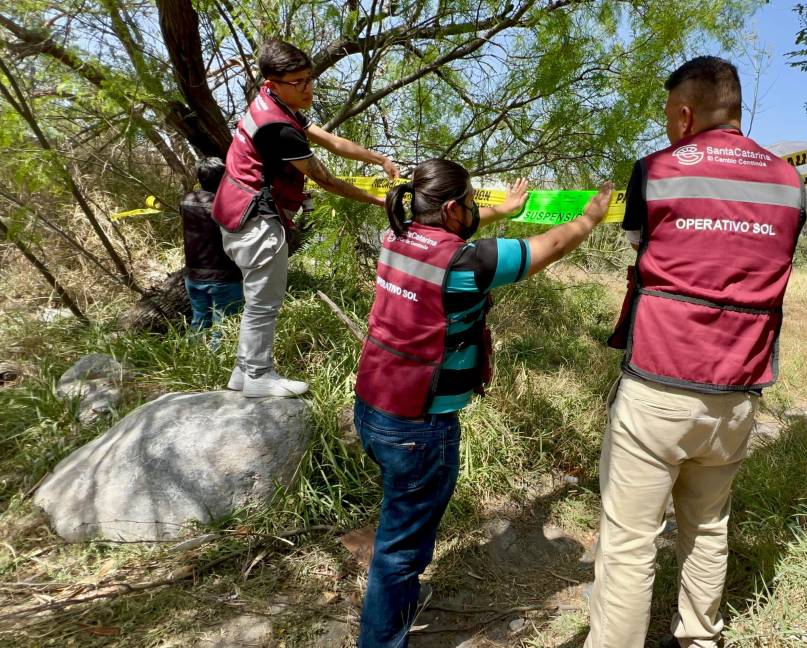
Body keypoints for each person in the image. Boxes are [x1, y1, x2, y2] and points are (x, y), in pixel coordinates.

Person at [586, 56, 807, 648]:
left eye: (667, 115)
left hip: (657, 382)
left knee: (629, 540)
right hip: (738, 391)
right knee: (708, 525)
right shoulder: (790, 181)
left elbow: (640, 244)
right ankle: (700, 639)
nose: (665, 126)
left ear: (684, 115)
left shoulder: (656, 170)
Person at [352, 158, 613, 647]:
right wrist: (592, 216)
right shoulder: (469, 264)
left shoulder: (398, 234)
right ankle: (382, 636)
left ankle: (397, 600)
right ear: (452, 208)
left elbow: (446, 231)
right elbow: (551, 245)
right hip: (419, 426)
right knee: (399, 550)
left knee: (400, 528)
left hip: (372, 405)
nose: (476, 208)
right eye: (472, 201)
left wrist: (503, 209)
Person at [212, 39, 400, 398]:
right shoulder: (277, 127)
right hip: (255, 220)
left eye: (309, 78)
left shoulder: (277, 105)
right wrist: (379, 200)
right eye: (298, 82)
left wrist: (380, 159)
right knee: (264, 302)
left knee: (259, 300)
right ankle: (258, 374)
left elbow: (330, 140)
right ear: (271, 82)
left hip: (240, 214)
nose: (308, 87)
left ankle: (243, 371)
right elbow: (325, 178)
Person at [180, 157, 243, 348]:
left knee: (198, 322)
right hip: (224, 277)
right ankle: (219, 370)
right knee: (223, 327)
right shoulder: (225, 205)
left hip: (193, 276)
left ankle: (193, 363)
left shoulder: (186, 201)